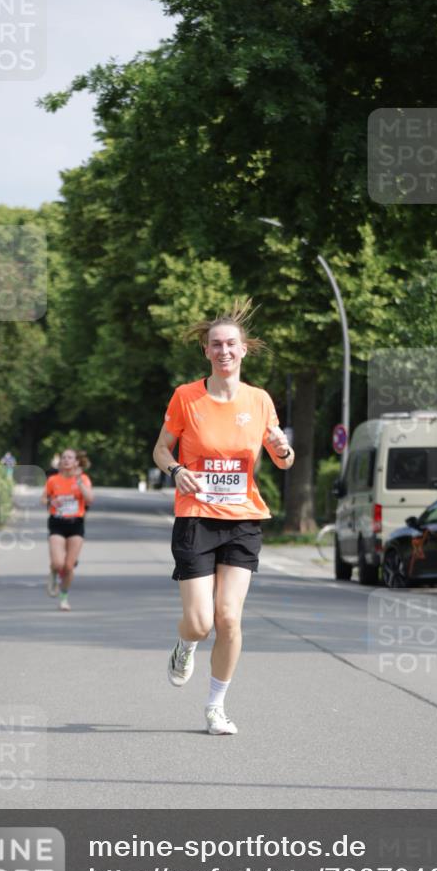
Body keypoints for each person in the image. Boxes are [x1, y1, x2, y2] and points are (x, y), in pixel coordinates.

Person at [152, 299, 294, 735]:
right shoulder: (186, 398)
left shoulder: (260, 399)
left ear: (244, 349)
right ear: (206, 351)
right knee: (201, 622)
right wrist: (176, 471)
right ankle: (184, 645)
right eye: (216, 344)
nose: (224, 351)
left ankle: (216, 707)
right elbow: (161, 450)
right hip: (195, 516)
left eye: (231, 343)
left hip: (243, 518)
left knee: (229, 618)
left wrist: (282, 444)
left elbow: (283, 460)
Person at [41, 448, 93, 611]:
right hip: (57, 522)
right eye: (63, 457)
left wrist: (78, 482)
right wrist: (51, 503)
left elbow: (90, 499)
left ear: (77, 462)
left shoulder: (83, 479)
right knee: (58, 563)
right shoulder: (53, 480)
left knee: (69, 566)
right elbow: (43, 499)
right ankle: (54, 570)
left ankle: (63, 597)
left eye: (70, 458)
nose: (66, 460)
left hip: (76, 523)